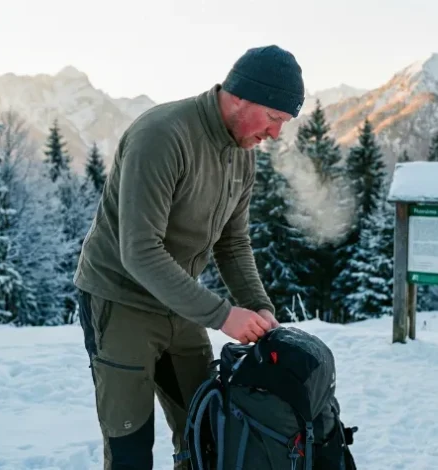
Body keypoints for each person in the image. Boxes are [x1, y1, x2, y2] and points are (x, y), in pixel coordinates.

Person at [73, 44, 306, 470]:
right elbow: (139, 251)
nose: (275, 134)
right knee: (130, 449)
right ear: (240, 97)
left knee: (208, 433)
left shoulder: (242, 156)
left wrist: (258, 306)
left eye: (283, 123)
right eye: (273, 118)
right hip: (120, 300)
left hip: (179, 303)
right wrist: (223, 315)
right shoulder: (162, 135)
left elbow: (232, 243)